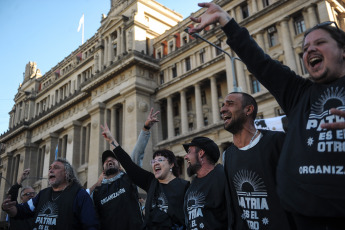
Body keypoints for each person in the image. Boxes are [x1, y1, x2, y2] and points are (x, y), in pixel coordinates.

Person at [188, 2, 345, 229]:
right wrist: (226, 22)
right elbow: (260, 63)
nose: (309, 49)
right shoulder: (299, 94)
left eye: (320, 43)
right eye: (306, 46)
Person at [101, 108, 190, 230]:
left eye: (160, 160)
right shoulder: (151, 182)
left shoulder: (185, 186)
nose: (155, 163)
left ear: (171, 164)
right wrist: (112, 140)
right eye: (153, 161)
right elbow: (129, 165)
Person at [220, 92, 291, 229]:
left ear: (248, 109)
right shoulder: (228, 155)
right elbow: (232, 205)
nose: (223, 109)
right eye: (223, 105)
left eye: (230, 104)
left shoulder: (277, 142)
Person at [1, 158, 99, 230]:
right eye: (50, 168)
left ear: (67, 173)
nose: (51, 170)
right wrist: (11, 210)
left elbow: (90, 225)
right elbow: (23, 210)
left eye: (56, 168)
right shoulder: (43, 194)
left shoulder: (79, 195)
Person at [87, 149, 143, 230]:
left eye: (113, 159)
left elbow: (138, 153)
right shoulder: (97, 192)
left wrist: (145, 135)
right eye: (106, 161)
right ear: (103, 170)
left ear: (119, 166)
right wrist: (97, 184)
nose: (109, 160)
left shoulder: (128, 178)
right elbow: (79, 201)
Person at [183, 136, 227, 230]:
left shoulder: (223, 177)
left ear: (201, 153)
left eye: (189, 152)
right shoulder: (192, 187)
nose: (185, 157)